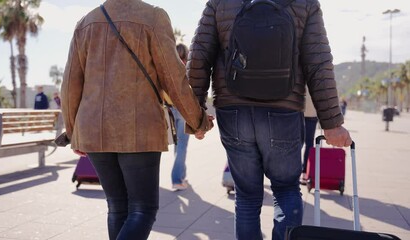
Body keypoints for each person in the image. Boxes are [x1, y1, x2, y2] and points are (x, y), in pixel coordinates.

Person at [188, 1, 353, 240]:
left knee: (246, 196)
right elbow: (318, 64)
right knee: (286, 190)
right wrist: (332, 123)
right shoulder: (305, 3)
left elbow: (199, 56)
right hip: (283, 110)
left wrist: (195, 116)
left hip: (234, 110)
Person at [60, 1, 213, 239]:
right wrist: (199, 121)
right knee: (143, 209)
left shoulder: (86, 22)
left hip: (94, 129)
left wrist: (72, 132)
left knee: (118, 207)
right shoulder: (153, 17)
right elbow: (174, 79)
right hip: (139, 129)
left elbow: (70, 84)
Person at [170, 43, 191, 191]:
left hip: (170, 109)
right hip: (183, 109)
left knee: (178, 145)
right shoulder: (187, 67)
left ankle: (181, 176)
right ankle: (177, 180)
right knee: (182, 145)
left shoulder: (168, 66)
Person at [301, 87, 318, 184]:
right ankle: (304, 173)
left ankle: (299, 172)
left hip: (297, 111)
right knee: (309, 144)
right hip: (311, 113)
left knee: (296, 143)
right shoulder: (316, 72)